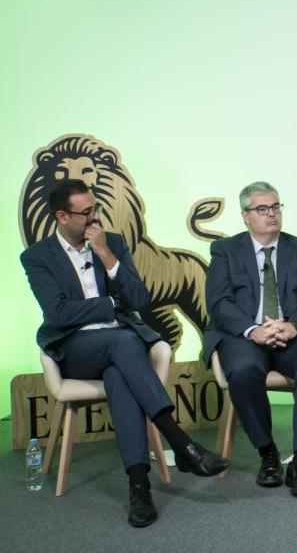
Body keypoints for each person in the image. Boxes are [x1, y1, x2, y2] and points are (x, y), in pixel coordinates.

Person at [21, 179, 228, 528]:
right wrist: (110, 305)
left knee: (120, 374)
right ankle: (181, 443)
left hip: (118, 349)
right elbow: (58, 313)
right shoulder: (38, 257)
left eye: (95, 209)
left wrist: (105, 255)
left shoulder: (112, 243)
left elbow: (140, 301)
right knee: (124, 342)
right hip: (75, 349)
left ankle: (139, 487)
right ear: (61, 216)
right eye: (86, 213)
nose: (94, 217)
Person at [203, 181, 297, 498]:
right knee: (243, 369)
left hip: (293, 333)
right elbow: (218, 303)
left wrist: (293, 326)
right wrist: (253, 330)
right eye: (262, 209)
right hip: (245, 334)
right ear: (246, 216)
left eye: (275, 207)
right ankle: (268, 453)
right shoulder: (225, 250)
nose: (271, 214)